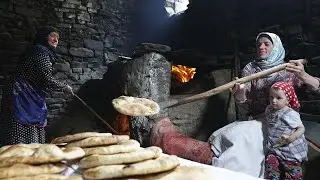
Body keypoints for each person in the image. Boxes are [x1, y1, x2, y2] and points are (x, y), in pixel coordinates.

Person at [150, 32, 320, 178]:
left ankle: (174, 144)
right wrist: (239, 91)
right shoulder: (250, 69)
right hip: (258, 119)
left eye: (266, 44)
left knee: (241, 139)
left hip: (283, 124)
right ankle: (183, 147)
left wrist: (304, 75)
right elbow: (241, 100)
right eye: (258, 44)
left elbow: (316, 87)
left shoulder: (289, 69)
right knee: (227, 134)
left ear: (276, 47)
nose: (261, 47)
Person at [0, 26, 73, 146]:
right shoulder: (41, 52)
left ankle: (28, 153)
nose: (56, 40)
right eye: (52, 36)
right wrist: (64, 87)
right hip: (22, 93)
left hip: (28, 92)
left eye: (58, 38)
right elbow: (45, 78)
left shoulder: (38, 51)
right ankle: (22, 155)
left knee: (29, 124)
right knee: (21, 124)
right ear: (44, 37)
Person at [265, 82, 307, 179]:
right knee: (271, 164)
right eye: (271, 97)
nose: (273, 101)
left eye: (279, 98)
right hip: (275, 147)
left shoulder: (290, 114)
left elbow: (301, 128)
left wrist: (292, 137)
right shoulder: (269, 109)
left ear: (288, 100)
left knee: (292, 172)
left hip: (289, 150)